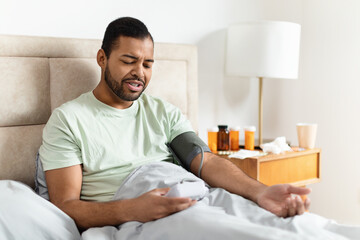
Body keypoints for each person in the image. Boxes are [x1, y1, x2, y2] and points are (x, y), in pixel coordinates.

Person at [38, 17, 311, 231]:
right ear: (102, 59)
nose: (139, 73)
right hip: (140, 213)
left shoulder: (163, 111)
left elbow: (206, 161)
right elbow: (66, 205)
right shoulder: (68, 120)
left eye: (148, 64)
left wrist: (260, 192)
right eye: (129, 61)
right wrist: (131, 209)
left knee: (290, 226)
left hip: (193, 196)